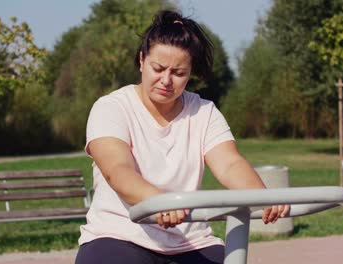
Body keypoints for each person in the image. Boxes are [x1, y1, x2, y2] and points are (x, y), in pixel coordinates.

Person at [75, 10, 290, 264]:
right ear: (142, 60)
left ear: (191, 73)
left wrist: (262, 196)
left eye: (178, 73)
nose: (166, 80)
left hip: (190, 242)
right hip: (119, 235)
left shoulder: (204, 112)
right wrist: (158, 202)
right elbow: (118, 170)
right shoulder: (111, 107)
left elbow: (230, 163)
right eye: (158, 68)